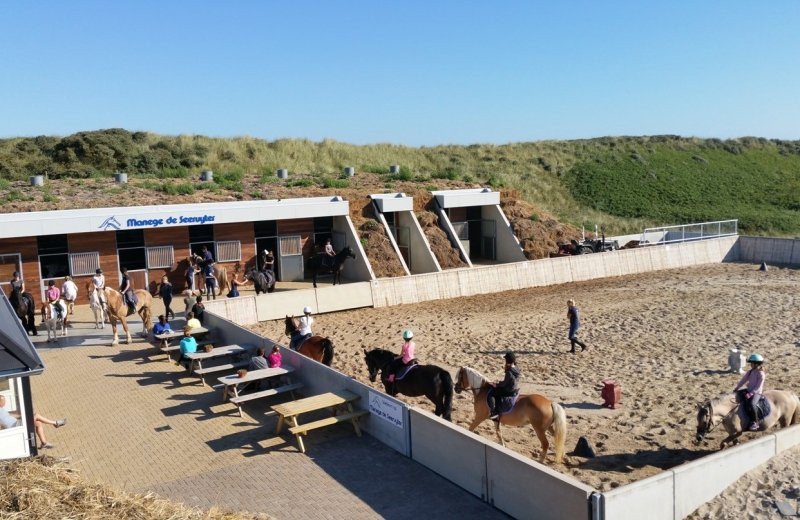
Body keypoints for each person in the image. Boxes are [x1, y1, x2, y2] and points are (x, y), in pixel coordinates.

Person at [1, 395, 66, 449]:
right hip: (14, 426)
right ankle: (55, 423)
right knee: (36, 416)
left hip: (17, 423)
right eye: (3, 401)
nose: (5, 402)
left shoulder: (2, 409)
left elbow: (12, 415)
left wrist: (23, 414)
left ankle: (44, 443)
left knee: (38, 423)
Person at [734, 353, 766, 431]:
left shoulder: (761, 374)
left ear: (756, 364)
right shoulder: (750, 372)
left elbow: (758, 387)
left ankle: (755, 422)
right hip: (748, 390)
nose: (751, 365)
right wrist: (737, 387)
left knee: (752, 404)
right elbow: (743, 380)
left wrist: (751, 393)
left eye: (752, 363)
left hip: (757, 393)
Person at [488, 351, 521, 421]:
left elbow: (504, 384)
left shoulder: (509, 372)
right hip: (515, 388)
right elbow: (509, 381)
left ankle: (494, 412)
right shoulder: (517, 368)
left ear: (507, 360)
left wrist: (496, 384)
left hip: (509, 390)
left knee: (492, 394)